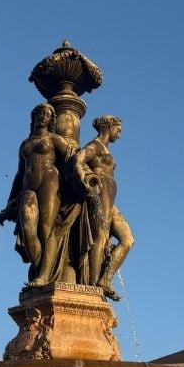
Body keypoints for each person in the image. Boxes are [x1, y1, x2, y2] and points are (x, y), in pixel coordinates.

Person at [0, 102, 74, 285]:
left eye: (47, 114)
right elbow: (19, 174)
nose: (43, 117)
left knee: (46, 230)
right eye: (40, 113)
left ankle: (44, 276)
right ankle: (42, 266)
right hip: (27, 187)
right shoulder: (25, 143)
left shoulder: (55, 139)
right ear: (33, 117)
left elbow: (72, 160)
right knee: (28, 229)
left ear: (51, 119)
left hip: (49, 182)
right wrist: (10, 203)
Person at [70, 115, 134, 300]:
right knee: (101, 235)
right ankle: (91, 284)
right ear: (108, 127)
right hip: (100, 193)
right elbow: (78, 159)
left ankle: (105, 279)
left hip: (110, 198)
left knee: (127, 239)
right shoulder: (96, 145)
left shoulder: (105, 149)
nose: (119, 135)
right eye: (118, 130)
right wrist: (85, 181)